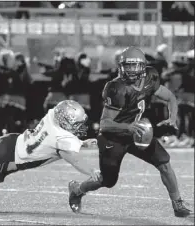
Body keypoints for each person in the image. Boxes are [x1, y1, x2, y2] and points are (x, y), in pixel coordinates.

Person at [67, 46, 193, 218]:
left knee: (164, 163)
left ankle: (178, 204)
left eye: (135, 66)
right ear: (121, 66)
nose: (131, 70)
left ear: (143, 67)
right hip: (113, 136)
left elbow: (170, 97)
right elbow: (104, 124)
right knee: (108, 180)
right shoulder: (116, 87)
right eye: (128, 66)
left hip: (137, 132)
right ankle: (77, 189)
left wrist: (172, 117)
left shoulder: (150, 77)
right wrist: (127, 127)